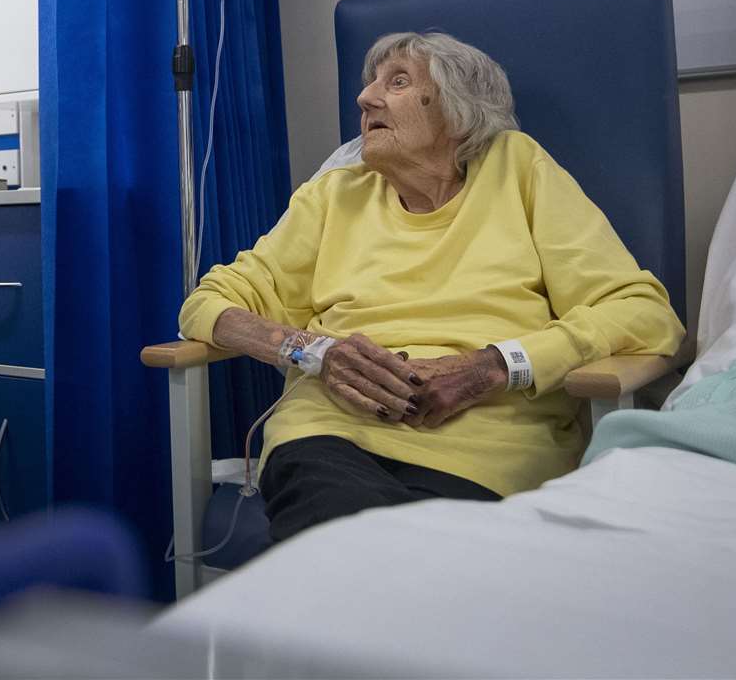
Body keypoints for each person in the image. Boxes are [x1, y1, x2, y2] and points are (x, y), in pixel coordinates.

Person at [179, 32, 683, 542]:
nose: (365, 98)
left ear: (458, 112)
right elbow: (209, 303)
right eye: (370, 84)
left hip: (488, 450)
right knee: (352, 542)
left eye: (397, 82)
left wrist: (495, 366)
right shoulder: (334, 195)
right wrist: (313, 351)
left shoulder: (519, 168)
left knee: (409, 563)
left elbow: (641, 313)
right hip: (329, 440)